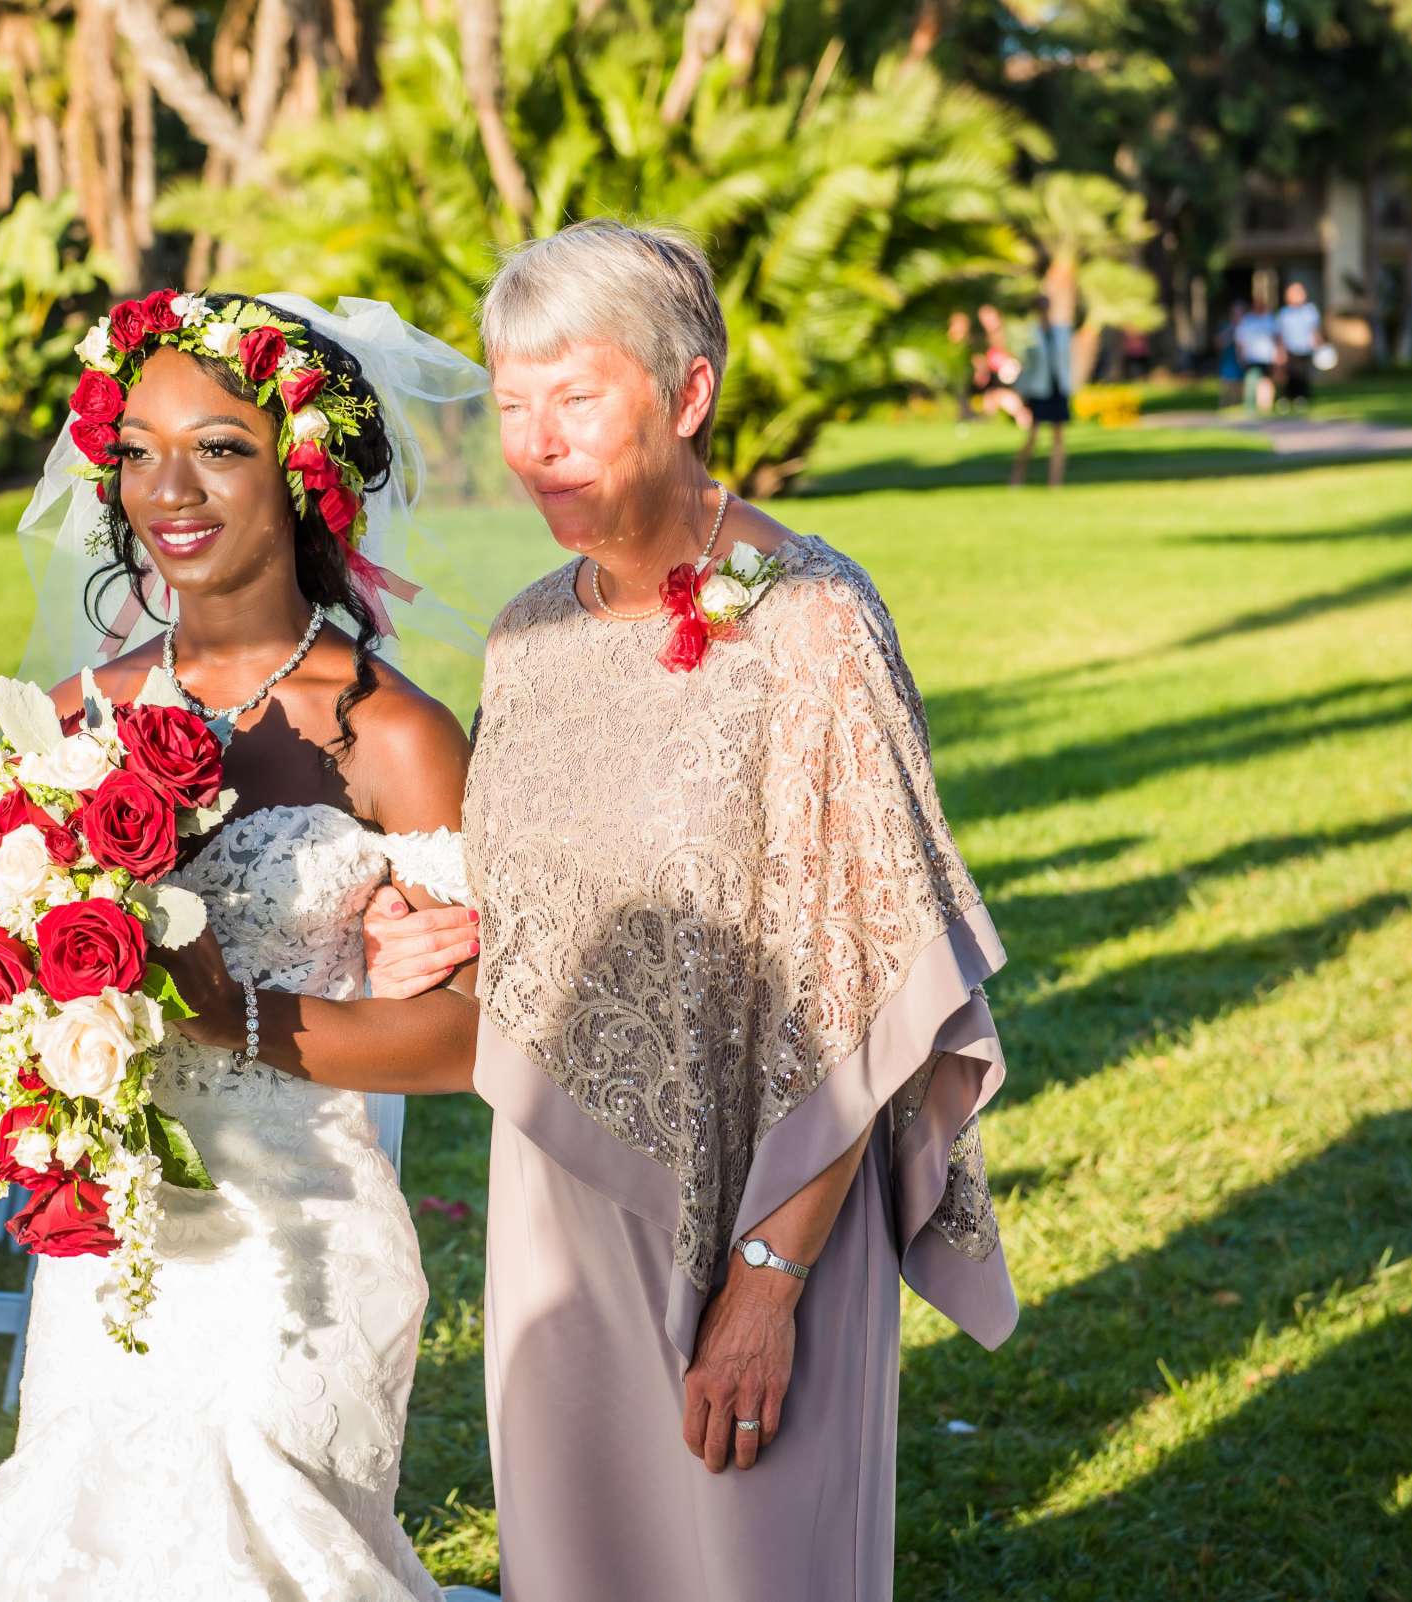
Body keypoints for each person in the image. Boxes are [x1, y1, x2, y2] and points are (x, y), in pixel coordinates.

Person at [0, 291, 494, 1600]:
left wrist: (230, 1015)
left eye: (219, 444)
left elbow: (473, 1036)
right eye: (139, 446)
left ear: (304, 467)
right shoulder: (66, 720)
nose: (171, 486)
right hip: (112, 1242)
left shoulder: (396, 734)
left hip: (301, 1244)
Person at [375, 220, 1018, 1601]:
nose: (537, 440)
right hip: (557, 1198)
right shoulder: (526, 637)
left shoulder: (813, 625)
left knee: (753, 1564)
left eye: (578, 395)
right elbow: (534, 904)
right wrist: (430, 935)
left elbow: (878, 976)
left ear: (689, 394)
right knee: (577, 1558)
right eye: (512, 404)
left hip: (770, 1190)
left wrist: (769, 1279)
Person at [1011, 298, 1075, 489]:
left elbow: (1066, 361)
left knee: (1058, 438)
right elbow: (1026, 366)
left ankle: (1055, 482)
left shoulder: (1061, 332)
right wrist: (1022, 393)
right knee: (1032, 437)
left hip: (1058, 388)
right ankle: (1017, 478)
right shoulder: (1031, 334)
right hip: (1039, 390)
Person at [1275, 282, 1323, 412]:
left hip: (1305, 348)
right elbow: (1280, 334)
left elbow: (1314, 330)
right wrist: (1280, 351)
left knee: (1303, 374)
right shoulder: (1284, 313)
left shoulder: (1310, 310)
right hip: (1290, 348)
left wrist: (1319, 346)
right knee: (1290, 375)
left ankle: (1301, 399)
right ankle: (1285, 399)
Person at [1236, 296, 1280, 414]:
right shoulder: (1247, 321)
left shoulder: (1270, 319)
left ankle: (1265, 407)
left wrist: (1279, 353)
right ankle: (1250, 406)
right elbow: (1240, 339)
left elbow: (1277, 338)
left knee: (1266, 381)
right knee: (1251, 380)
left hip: (1267, 356)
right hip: (1252, 356)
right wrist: (1241, 354)